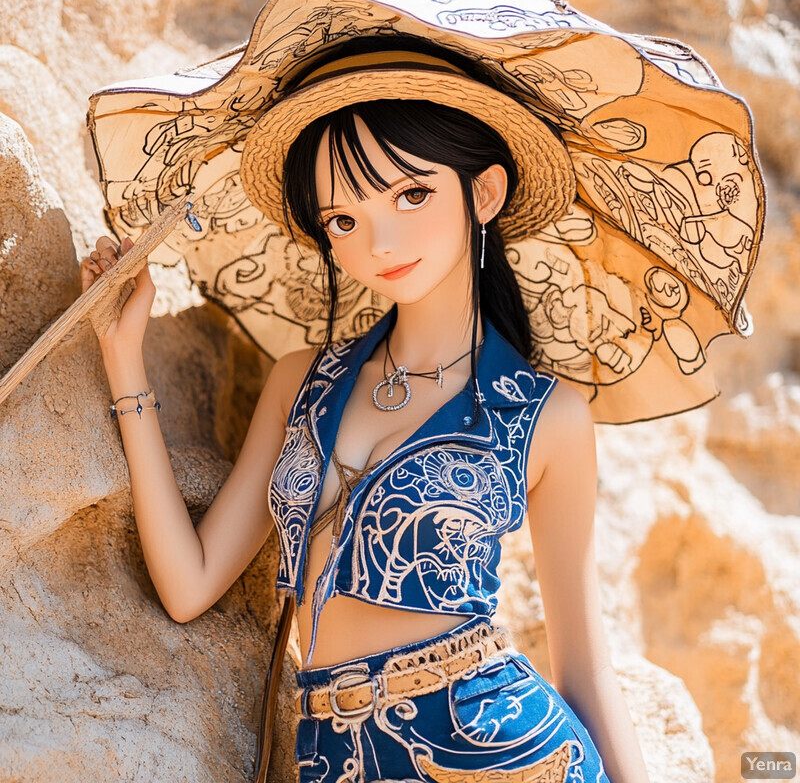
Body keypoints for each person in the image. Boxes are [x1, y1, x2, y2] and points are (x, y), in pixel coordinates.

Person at [81, 44, 652, 783]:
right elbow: (189, 587)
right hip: (332, 754)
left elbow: (584, 664)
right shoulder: (302, 382)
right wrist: (123, 359)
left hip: (501, 754)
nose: (378, 242)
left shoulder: (548, 417)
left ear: (484, 194)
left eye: (411, 195)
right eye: (343, 219)